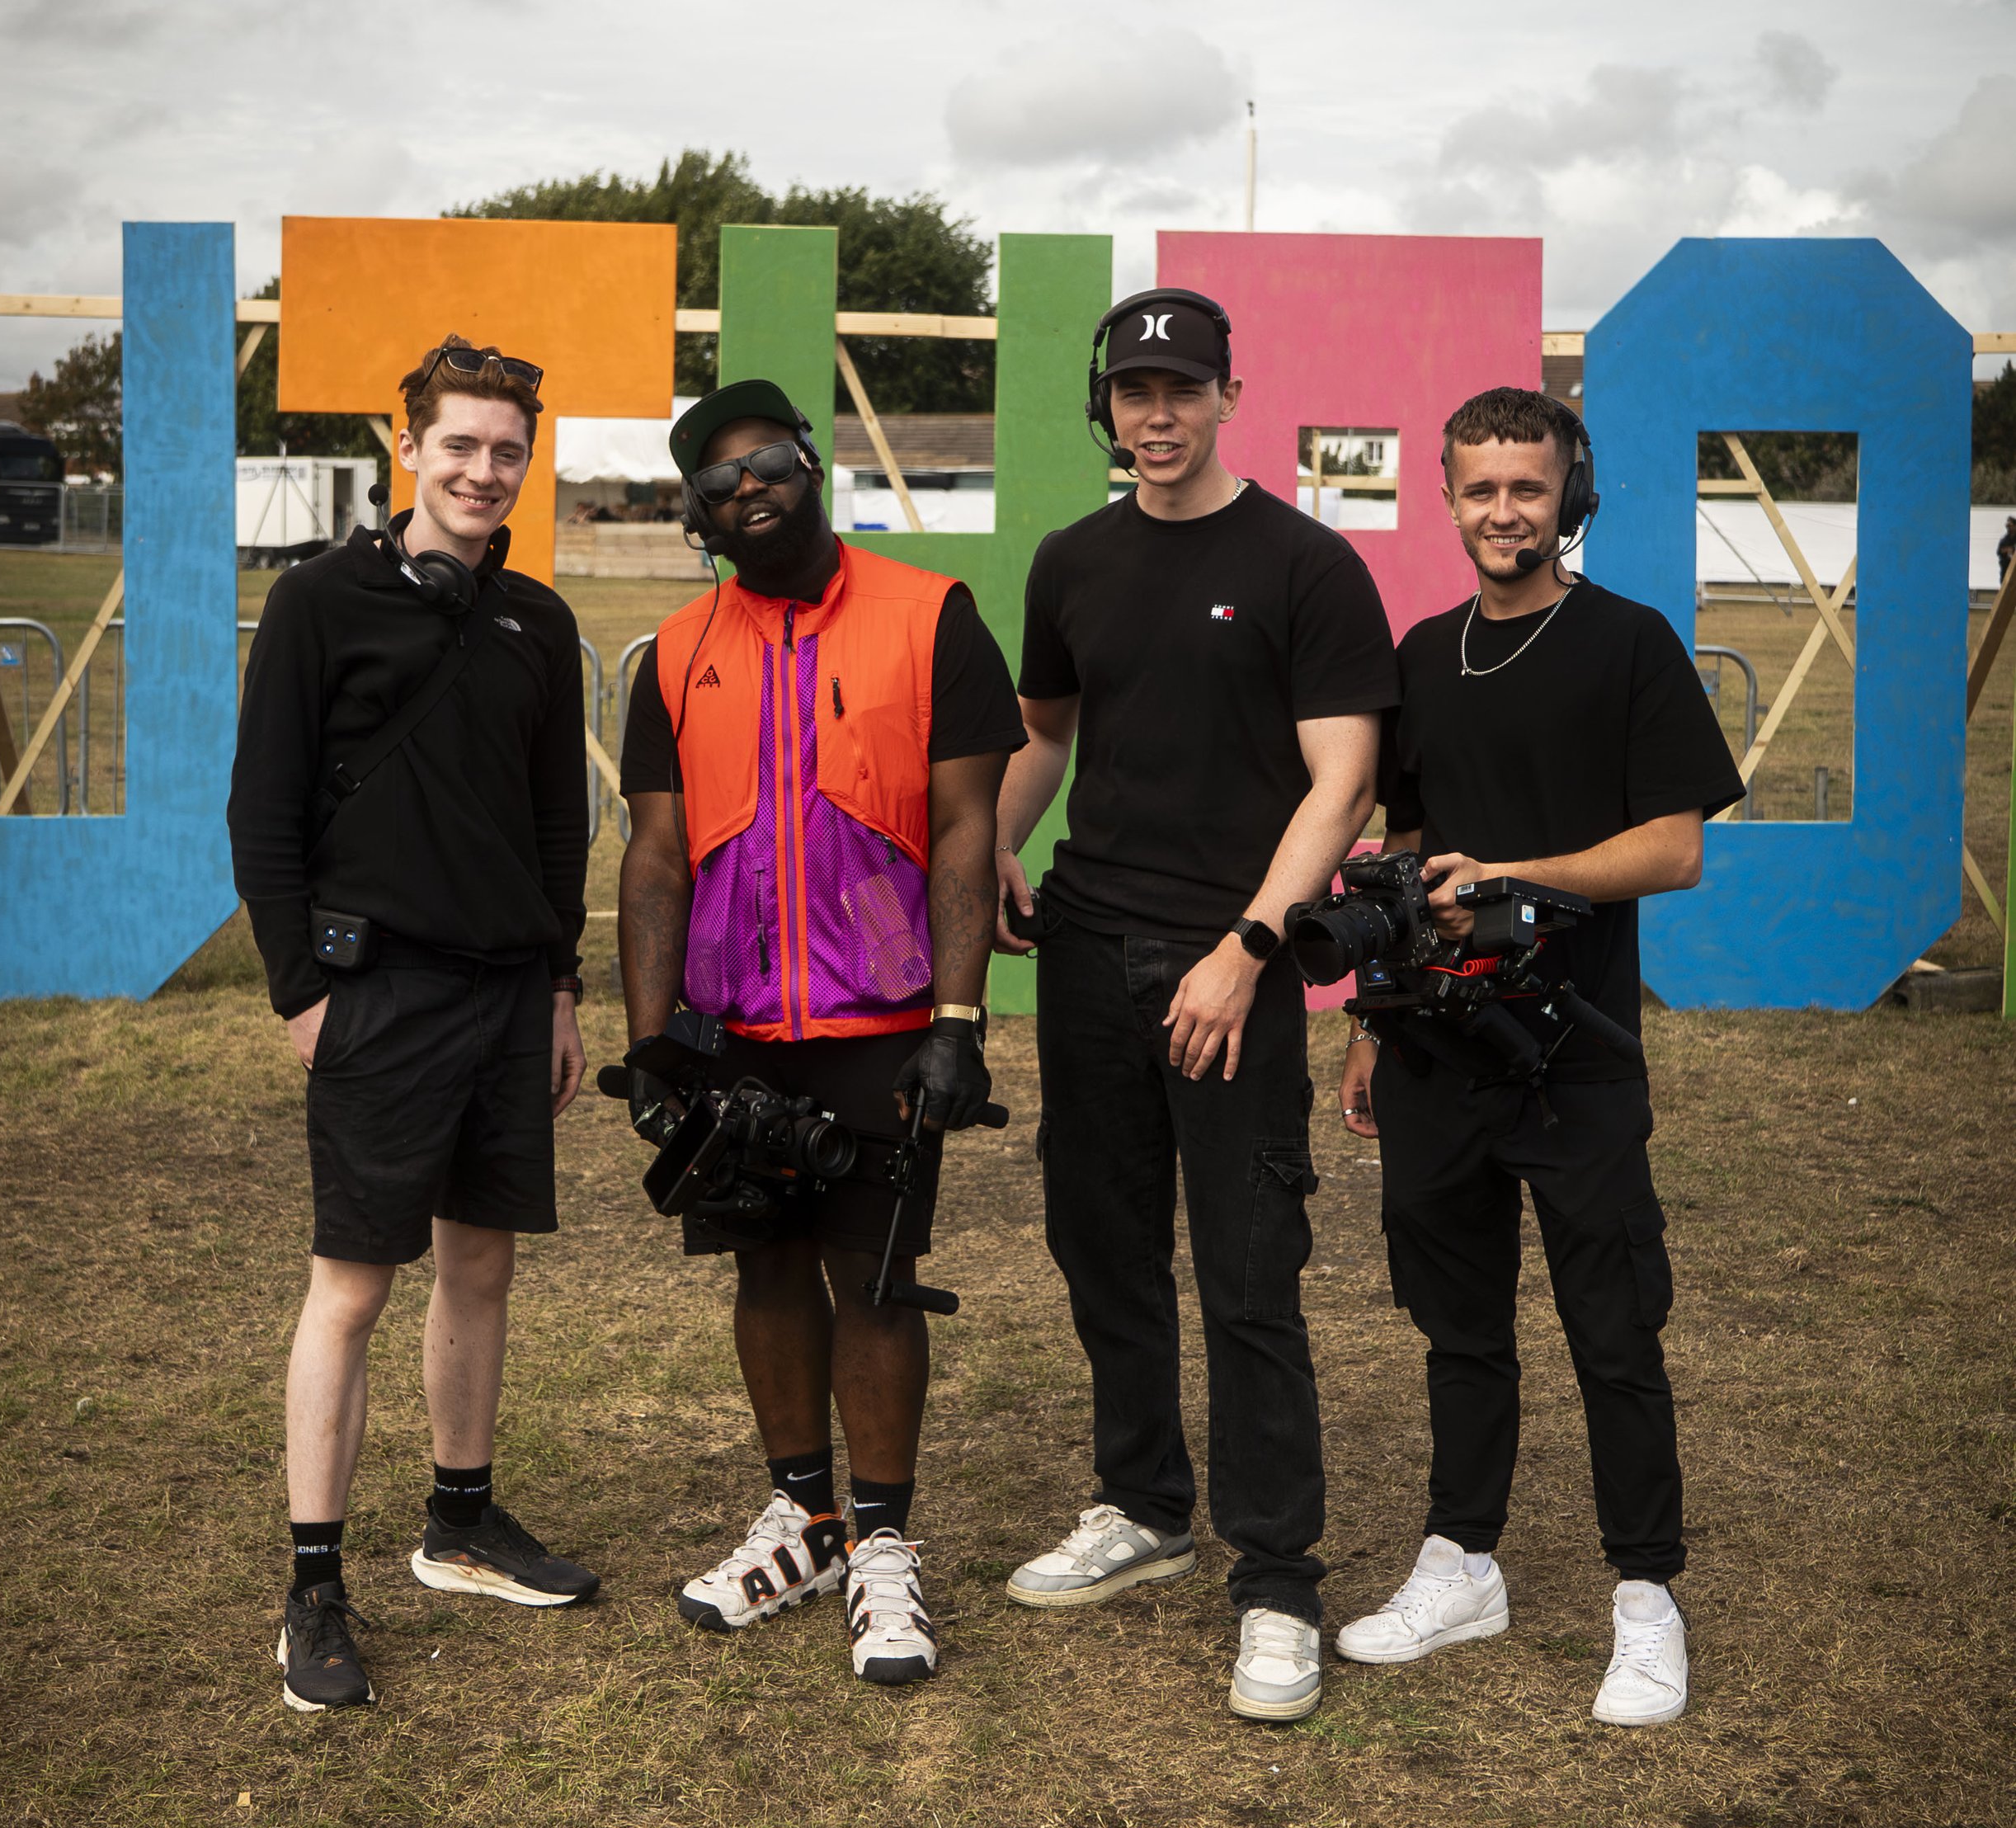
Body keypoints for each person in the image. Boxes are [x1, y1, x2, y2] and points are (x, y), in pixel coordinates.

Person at [995, 289, 1397, 1725]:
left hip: (1230, 963)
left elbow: (1339, 781)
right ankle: (1144, 1506)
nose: (1155, 415)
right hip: (1089, 954)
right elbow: (1047, 737)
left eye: (1181, 388)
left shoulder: (1304, 562)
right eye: (1132, 391)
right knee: (1099, 1242)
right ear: (1104, 405)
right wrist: (994, 839)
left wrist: (1247, 946)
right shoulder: (1072, 561)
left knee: (1245, 1271)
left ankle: (1278, 1578)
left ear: (1232, 391)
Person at [1335, 384, 1746, 1727]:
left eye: (1529, 487)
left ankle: (1646, 1596)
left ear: (1572, 495)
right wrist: (1367, 1019)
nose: (1504, 510)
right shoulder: (1420, 652)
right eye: (1480, 488)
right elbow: (1403, 854)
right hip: (1437, 1054)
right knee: (1458, 1329)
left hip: (1575, 1053)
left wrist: (1518, 872)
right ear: (1445, 497)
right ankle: (1464, 1562)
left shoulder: (1629, 645)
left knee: (1613, 1331)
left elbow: (1674, 848)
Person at [615, 378, 1024, 1686]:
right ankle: (805, 1516)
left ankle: (887, 1549)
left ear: (812, 465)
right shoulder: (677, 653)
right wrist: (655, 1040)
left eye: (769, 461)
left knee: (878, 1281)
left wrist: (956, 1022)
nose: (750, 488)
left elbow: (967, 826)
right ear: (699, 518)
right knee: (764, 1270)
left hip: (887, 1023)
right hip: (735, 1024)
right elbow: (656, 856)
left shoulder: (930, 617)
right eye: (718, 481)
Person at [228, 337, 597, 1717]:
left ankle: (459, 1523)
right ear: (410, 449)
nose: (484, 472)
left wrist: (562, 988)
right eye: (460, 446)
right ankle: (313, 1588)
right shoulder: (321, 601)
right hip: (375, 994)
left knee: (481, 1266)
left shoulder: (541, 622)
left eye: (507, 450)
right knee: (354, 1287)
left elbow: (560, 822)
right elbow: (263, 814)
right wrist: (301, 992)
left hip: (509, 994)